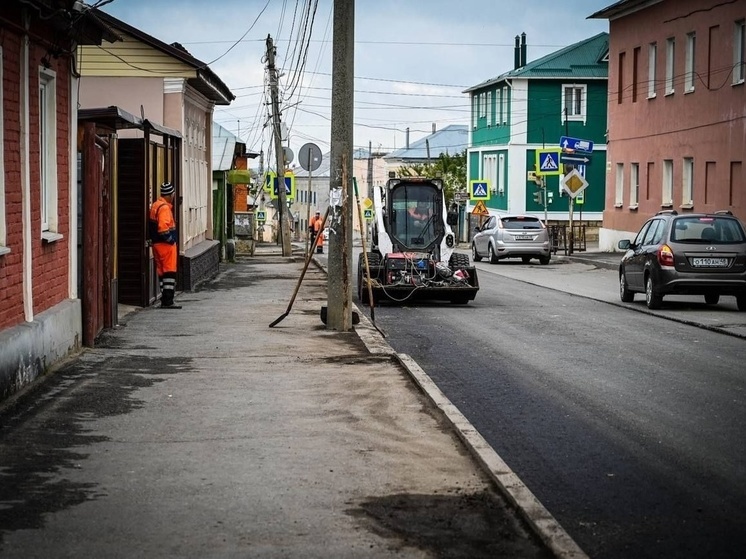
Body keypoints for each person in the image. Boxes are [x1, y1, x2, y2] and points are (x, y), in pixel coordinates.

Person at [149, 182, 180, 309]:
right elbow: (163, 228)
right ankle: (168, 300)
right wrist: (171, 240)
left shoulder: (156, 205)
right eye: (172, 194)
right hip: (166, 246)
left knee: (162, 273)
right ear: (170, 195)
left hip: (157, 245)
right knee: (169, 273)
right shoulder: (165, 208)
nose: (173, 196)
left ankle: (164, 299)